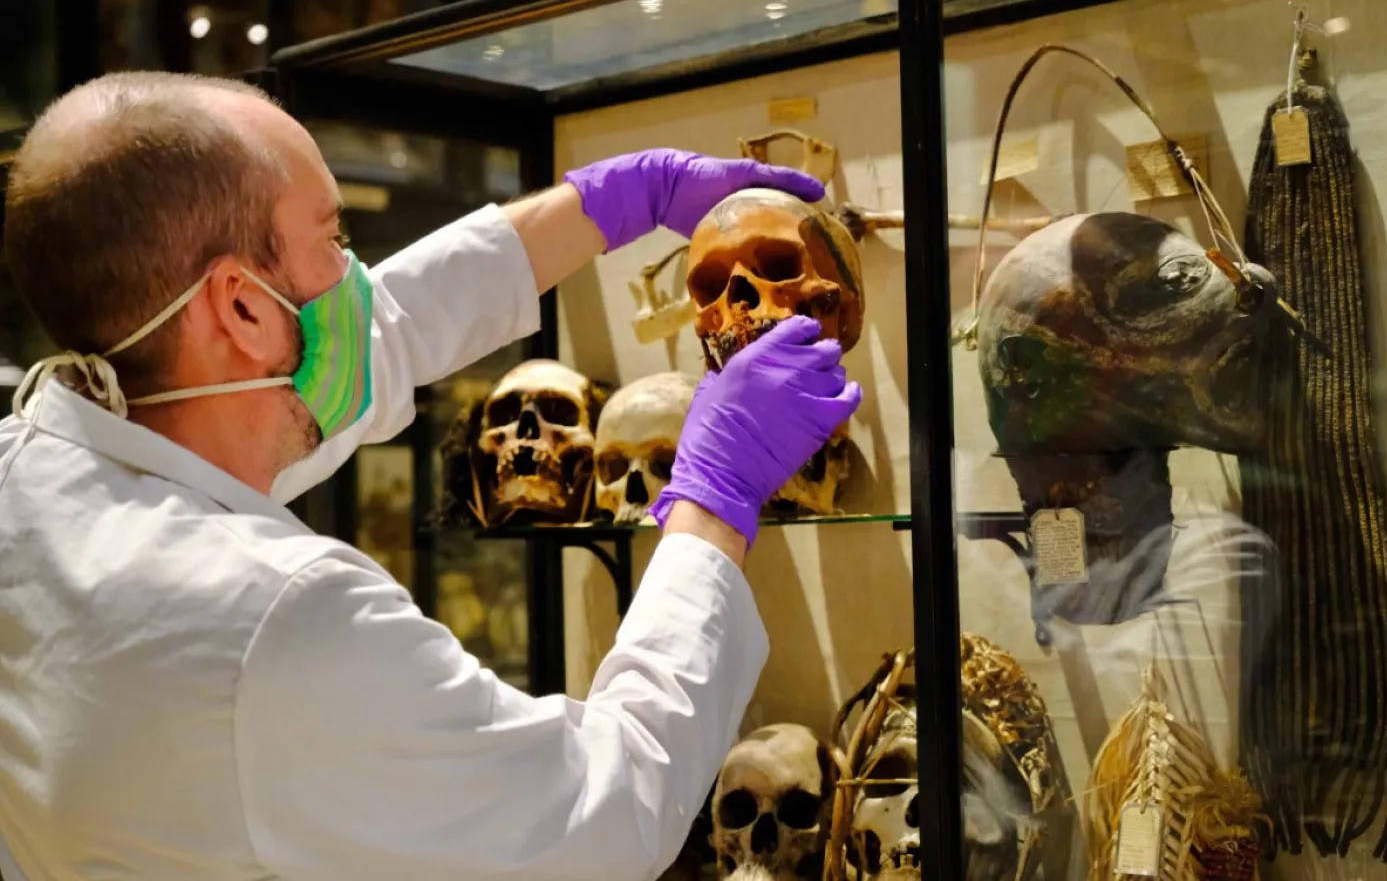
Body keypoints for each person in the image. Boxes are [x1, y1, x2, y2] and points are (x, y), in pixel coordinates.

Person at [0, 71, 861, 881]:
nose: (355, 276)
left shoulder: (34, 468)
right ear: (242, 309)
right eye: (334, 239)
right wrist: (712, 494)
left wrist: (611, 202)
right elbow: (604, 815)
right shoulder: (280, 623)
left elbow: (383, 330)